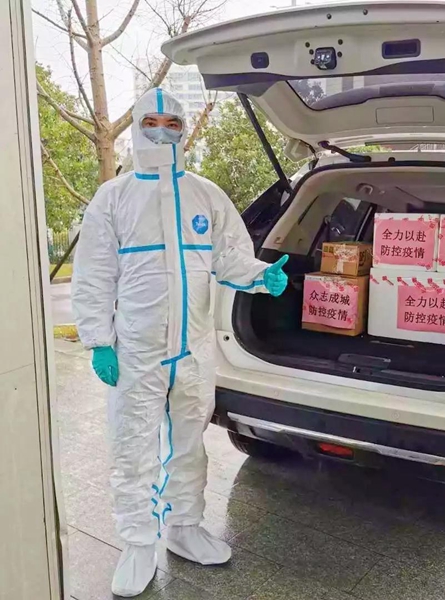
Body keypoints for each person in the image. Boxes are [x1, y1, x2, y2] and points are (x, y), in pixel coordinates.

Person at [72, 88, 288, 598]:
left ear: (184, 129)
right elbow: (94, 274)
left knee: (190, 444)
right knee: (133, 447)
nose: (163, 131)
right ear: (136, 126)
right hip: (137, 350)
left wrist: (261, 276)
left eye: (172, 123)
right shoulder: (114, 197)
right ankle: (137, 542)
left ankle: (185, 527)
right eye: (152, 121)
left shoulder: (205, 194)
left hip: (193, 350)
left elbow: (229, 256)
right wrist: (99, 340)